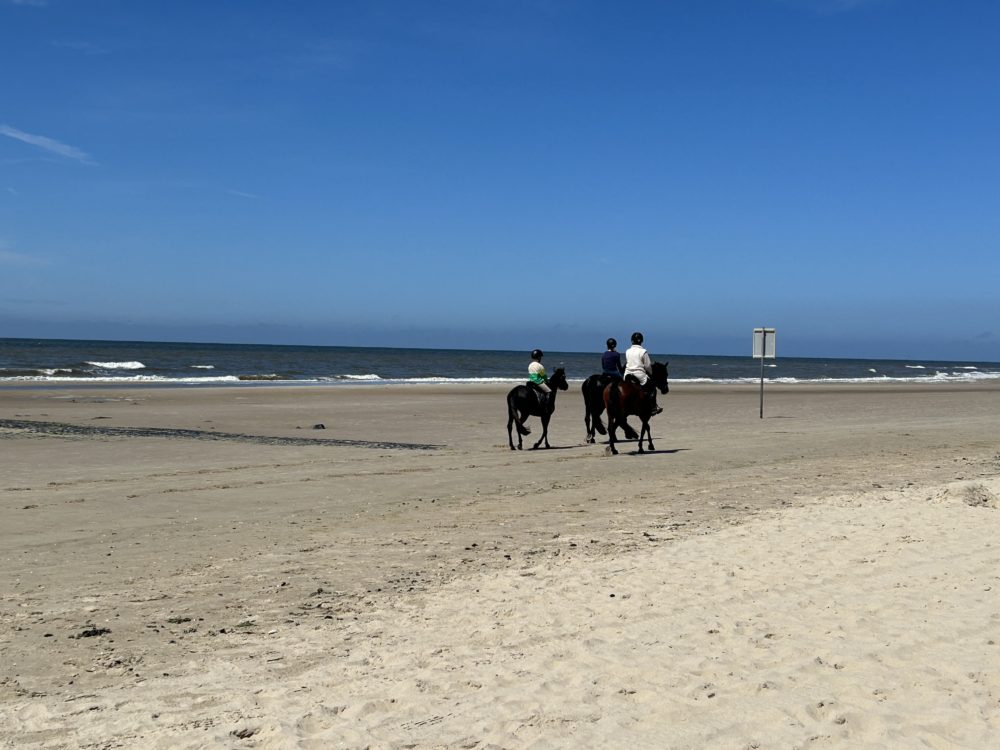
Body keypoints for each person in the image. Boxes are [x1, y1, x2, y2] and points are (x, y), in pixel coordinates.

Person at [624, 331, 662, 415]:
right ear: (641, 341)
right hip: (639, 375)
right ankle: (653, 408)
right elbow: (648, 366)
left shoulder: (627, 351)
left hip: (627, 375)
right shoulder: (643, 351)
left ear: (632, 341)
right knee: (652, 389)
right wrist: (651, 373)